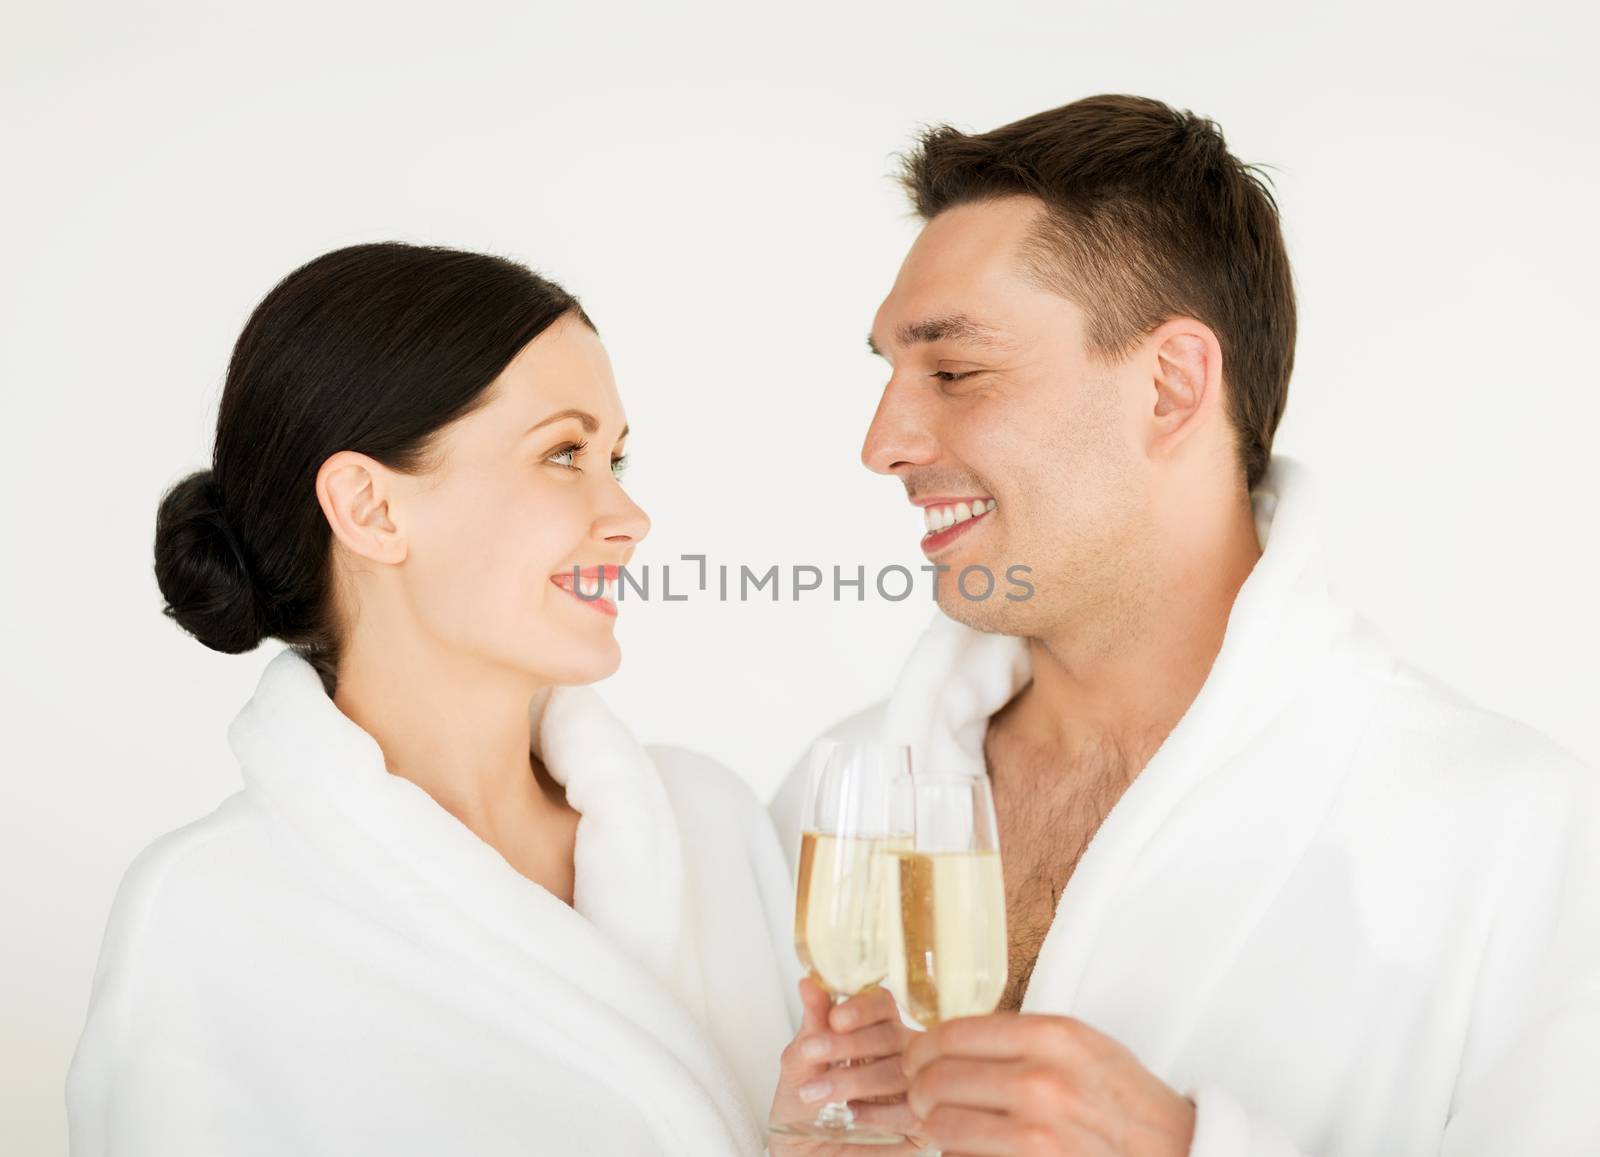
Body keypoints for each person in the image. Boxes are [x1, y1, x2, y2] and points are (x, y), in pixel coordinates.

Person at [769, 95, 1600, 1155]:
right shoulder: (837, 797)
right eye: (889, 372)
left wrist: (1185, 1148)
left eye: (955, 371)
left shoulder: (1515, 837)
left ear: (1169, 385)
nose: (883, 441)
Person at [66, 242, 802, 1156]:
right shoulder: (208, 912)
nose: (630, 516)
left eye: (617, 458)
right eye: (565, 453)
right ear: (371, 508)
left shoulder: (710, 823)